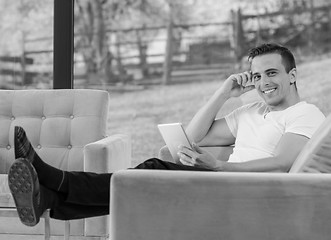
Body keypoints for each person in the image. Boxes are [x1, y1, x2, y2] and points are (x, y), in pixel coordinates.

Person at [8, 43, 325, 227]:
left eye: (272, 73)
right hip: (227, 183)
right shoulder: (250, 112)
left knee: (151, 173)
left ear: (292, 75)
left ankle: (55, 181)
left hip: (247, 191)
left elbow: (283, 162)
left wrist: (219, 168)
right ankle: (50, 200)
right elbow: (194, 137)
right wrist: (223, 92)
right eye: (257, 75)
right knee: (146, 182)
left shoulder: (305, 114)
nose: (263, 82)